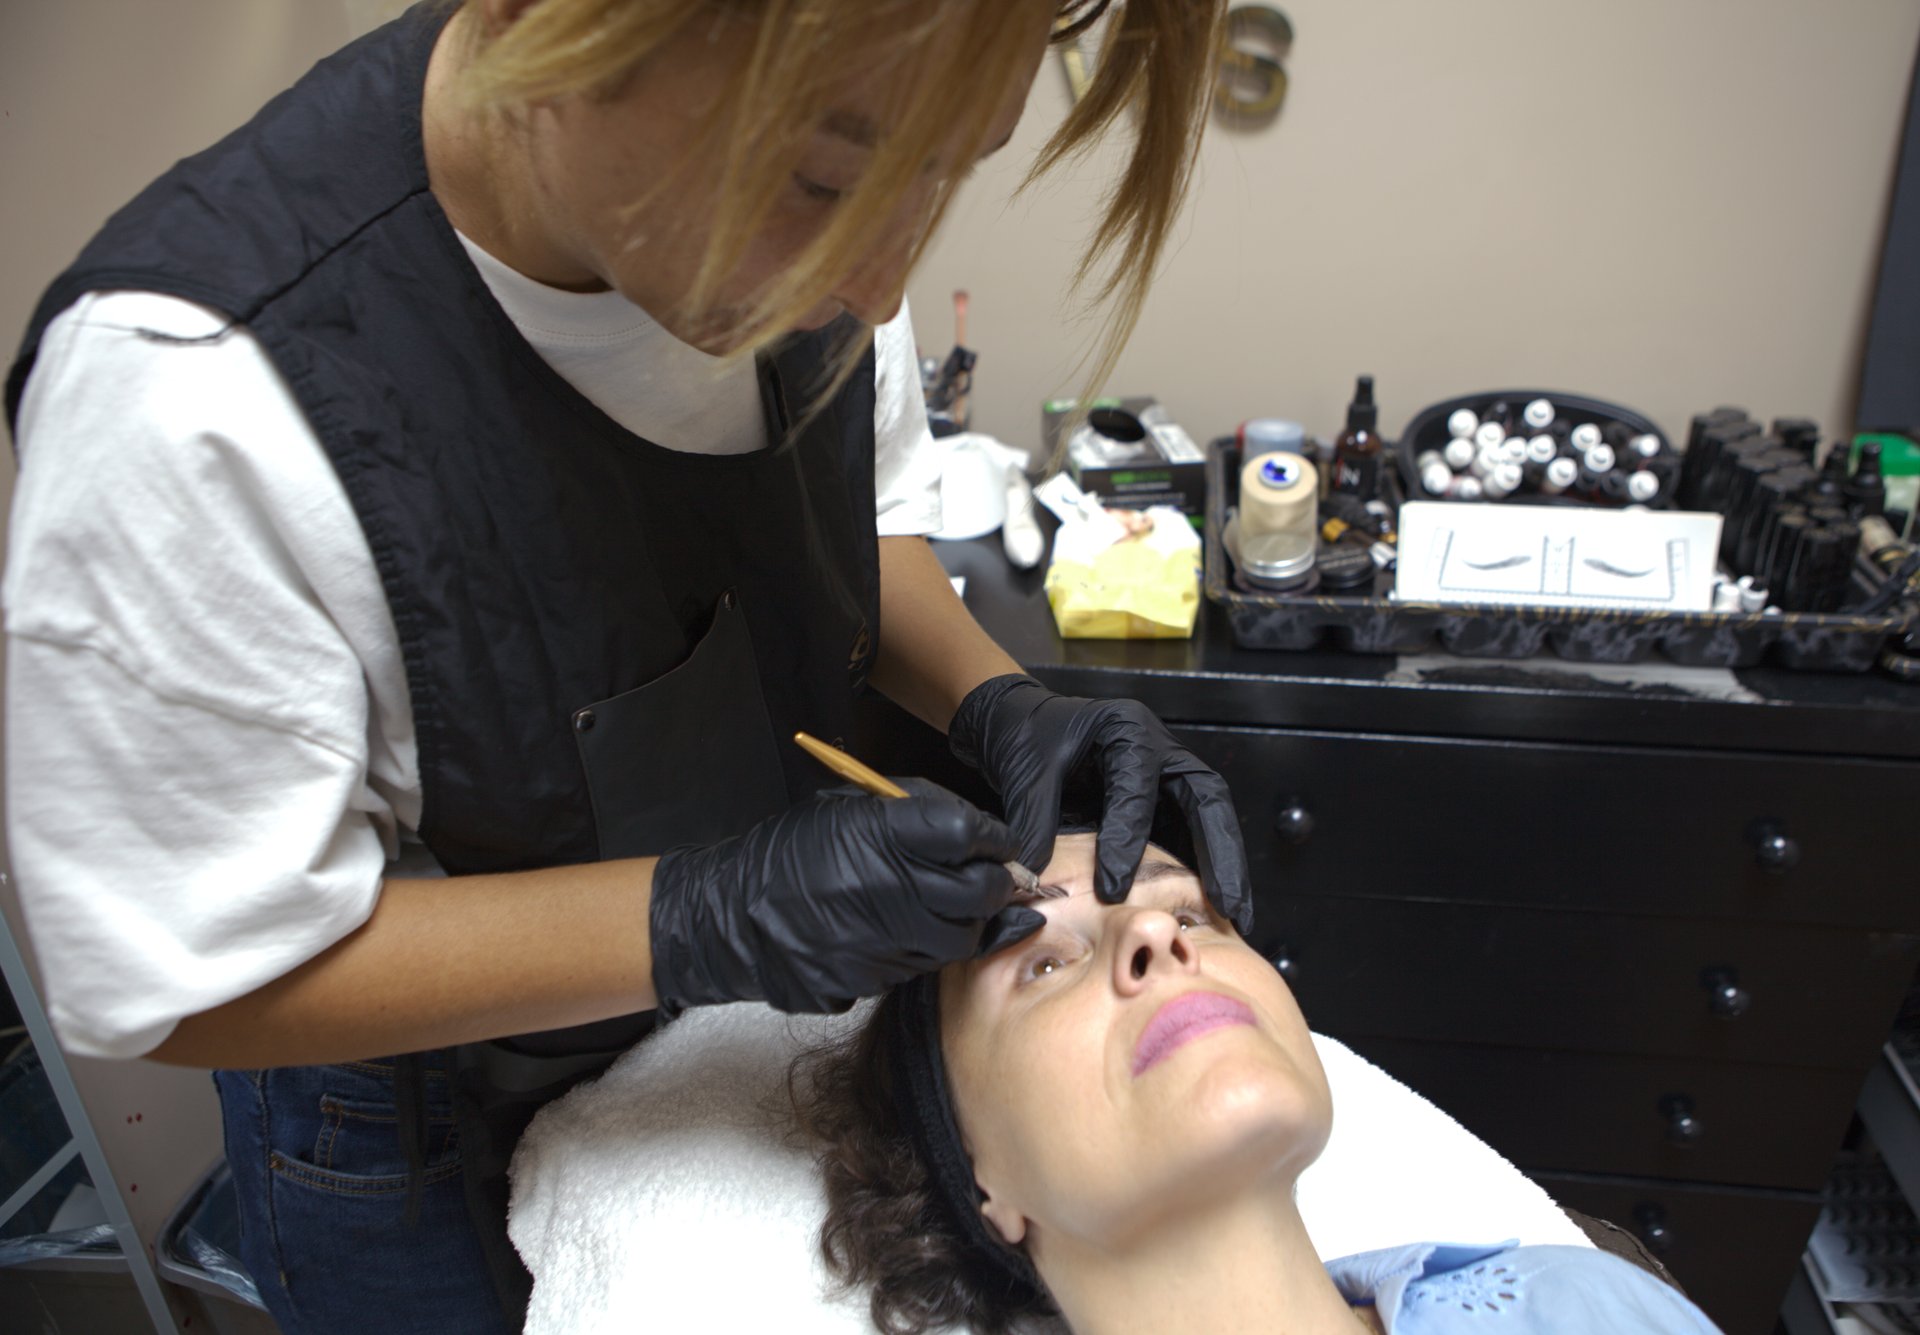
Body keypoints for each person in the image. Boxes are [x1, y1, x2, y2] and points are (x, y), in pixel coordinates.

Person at [2, 2, 1251, 1330]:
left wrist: (998, 693)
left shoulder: (805, 242)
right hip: (424, 1123)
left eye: (946, 170)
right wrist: (694, 914)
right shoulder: (192, 396)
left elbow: (847, 526)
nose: (878, 280)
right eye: (827, 177)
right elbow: (201, 977)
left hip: (723, 1037)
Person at [793, 832, 1724, 1335]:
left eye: (1190, 909)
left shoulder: (1572, 1297)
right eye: (1041, 964)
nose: (1159, 937)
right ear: (975, 1171)